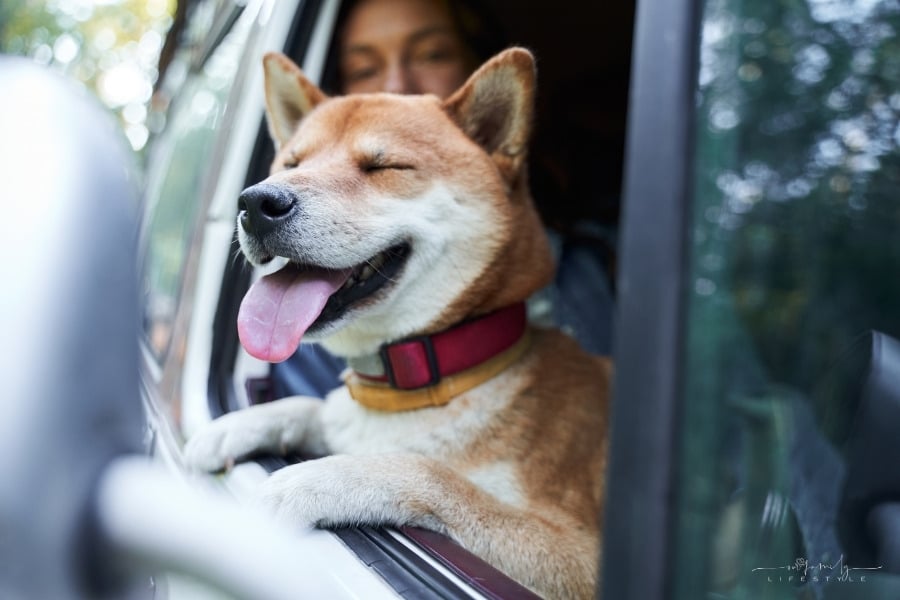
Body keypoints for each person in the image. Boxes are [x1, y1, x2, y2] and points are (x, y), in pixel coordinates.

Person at [271, 0, 615, 399]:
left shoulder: (603, 251)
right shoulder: (301, 304)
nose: (394, 85)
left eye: (433, 54)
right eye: (364, 69)